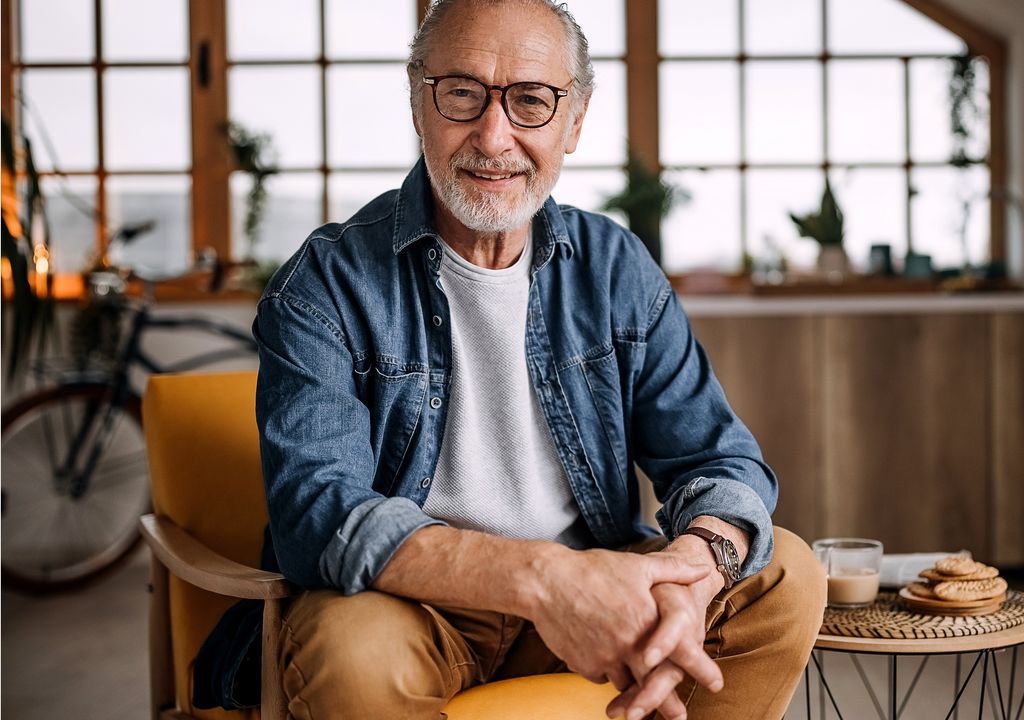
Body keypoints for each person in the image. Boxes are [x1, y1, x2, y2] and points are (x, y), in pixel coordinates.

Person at [246, 0, 826, 717]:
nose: (494, 137)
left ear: (574, 123)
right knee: (351, 655)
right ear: (418, 105)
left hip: (597, 582)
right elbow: (319, 515)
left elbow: (718, 459)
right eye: (462, 94)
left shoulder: (614, 267)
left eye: (531, 101)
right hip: (411, 607)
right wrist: (545, 578)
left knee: (788, 574)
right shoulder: (325, 283)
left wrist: (694, 570)